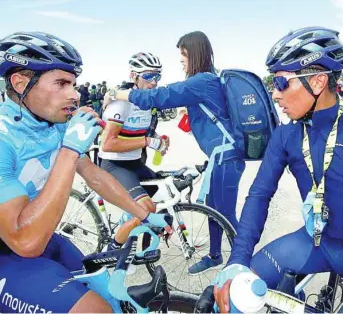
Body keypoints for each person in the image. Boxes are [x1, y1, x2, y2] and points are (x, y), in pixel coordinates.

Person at [0, 31, 172, 313]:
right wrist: (69, 150)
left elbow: (95, 175)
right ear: (21, 83)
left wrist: (144, 214)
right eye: (61, 83)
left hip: (46, 240)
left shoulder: (52, 125)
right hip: (10, 251)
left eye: (74, 84)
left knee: (109, 296)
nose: (74, 94)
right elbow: (25, 242)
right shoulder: (3, 139)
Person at [212, 26, 343, 313]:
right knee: (232, 298)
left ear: (318, 82)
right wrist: (237, 260)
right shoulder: (286, 135)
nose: (275, 94)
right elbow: (259, 195)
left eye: (281, 83)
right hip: (316, 241)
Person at [105, 31, 246, 274]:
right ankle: (214, 255)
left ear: (193, 53)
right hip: (220, 156)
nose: (180, 60)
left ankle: (243, 263)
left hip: (225, 157)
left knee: (225, 213)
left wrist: (117, 93)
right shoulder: (208, 79)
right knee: (214, 207)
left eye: (183, 55)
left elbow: (161, 96)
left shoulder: (201, 81)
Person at [99, 52, 169, 244]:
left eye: (157, 77)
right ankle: (115, 249)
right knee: (146, 207)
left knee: (163, 195)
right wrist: (147, 142)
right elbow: (108, 143)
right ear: (133, 77)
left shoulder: (147, 103)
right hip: (114, 164)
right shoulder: (121, 104)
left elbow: (139, 134)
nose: (154, 82)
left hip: (135, 162)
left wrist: (158, 141)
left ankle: (139, 245)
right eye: (148, 76)